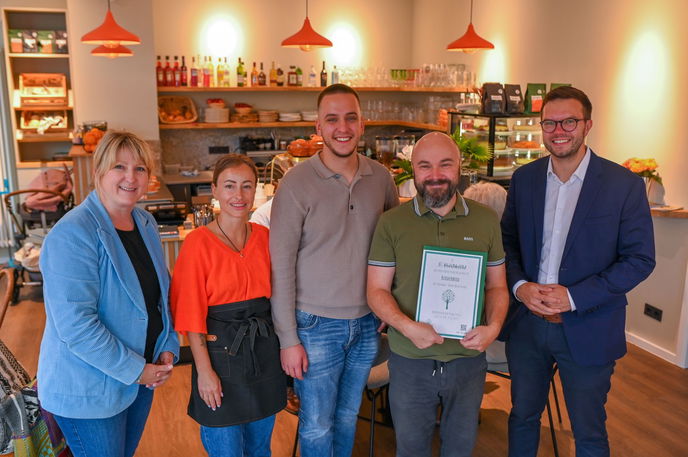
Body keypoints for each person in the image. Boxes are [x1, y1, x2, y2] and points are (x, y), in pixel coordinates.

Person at [501, 86, 656, 457]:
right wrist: (520, 285)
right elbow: (506, 243)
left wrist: (573, 297)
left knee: (587, 431)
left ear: (587, 124)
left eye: (569, 121)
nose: (559, 131)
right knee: (522, 416)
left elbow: (639, 259)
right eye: (550, 123)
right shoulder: (525, 179)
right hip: (528, 326)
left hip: (589, 327)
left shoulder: (624, 185)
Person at [270, 83, 399, 457]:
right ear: (318, 127)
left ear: (362, 124)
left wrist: (389, 308)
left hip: (366, 323)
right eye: (332, 119)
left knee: (347, 417)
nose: (342, 127)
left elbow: (394, 250)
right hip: (314, 326)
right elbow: (281, 267)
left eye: (350, 118)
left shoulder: (381, 178)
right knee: (315, 424)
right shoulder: (295, 184)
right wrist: (288, 338)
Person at [37, 131, 180, 457]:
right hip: (89, 388)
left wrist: (167, 346)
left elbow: (160, 294)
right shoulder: (73, 234)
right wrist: (136, 370)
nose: (131, 177)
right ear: (99, 172)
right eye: (120, 167)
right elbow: (76, 326)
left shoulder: (144, 222)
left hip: (141, 377)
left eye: (140, 169)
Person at [367, 132, 509, 457]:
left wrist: (494, 328)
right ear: (412, 170)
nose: (435, 175)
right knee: (411, 450)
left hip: (468, 360)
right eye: (425, 166)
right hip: (409, 362)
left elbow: (497, 286)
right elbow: (376, 290)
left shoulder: (485, 219)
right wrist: (406, 326)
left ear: (460, 167)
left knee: (460, 448)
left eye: (445, 165)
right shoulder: (391, 223)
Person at [171, 154, 285, 457]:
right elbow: (190, 315)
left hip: (264, 353)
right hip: (220, 358)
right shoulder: (197, 243)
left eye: (247, 187)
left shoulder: (266, 238)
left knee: (260, 448)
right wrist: (205, 372)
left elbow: (280, 300)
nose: (239, 195)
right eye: (230, 186)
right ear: (215, 190)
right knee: (226, 450)